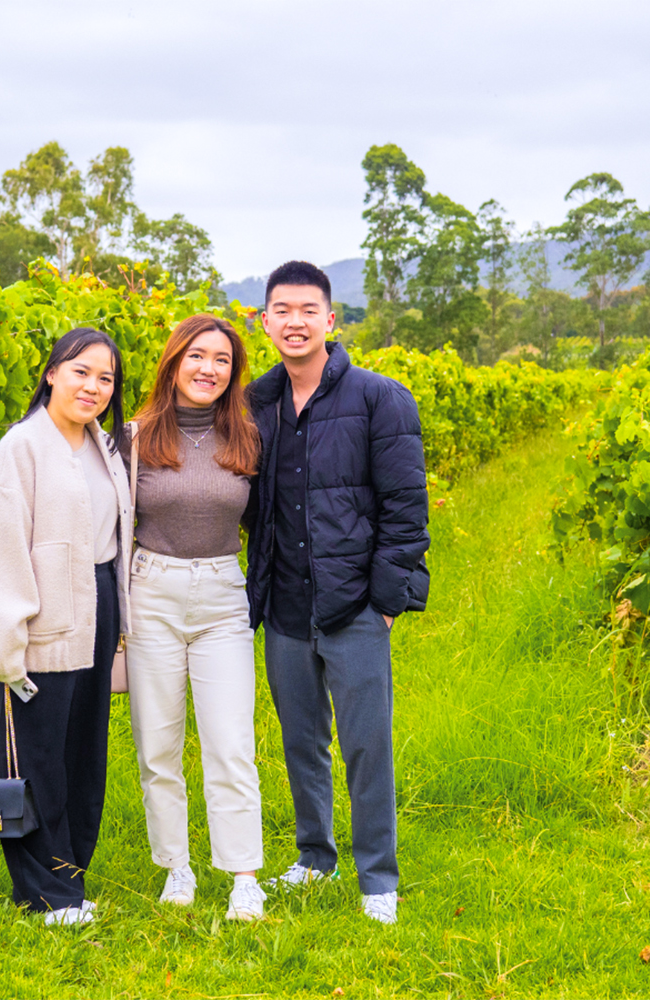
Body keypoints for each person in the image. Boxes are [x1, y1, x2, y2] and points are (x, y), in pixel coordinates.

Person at [244, 261, 430, 925]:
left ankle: (378, 876)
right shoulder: (255, 406)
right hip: (286, 610)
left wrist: (384, 602)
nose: (294, 322)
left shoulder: (381, 399)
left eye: (307, 310)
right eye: (280, 310)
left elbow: (406, 510)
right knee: (301, 741)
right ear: (264, 321)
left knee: (365, 745)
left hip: (354, 609)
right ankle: (314, 855)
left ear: (330, 320)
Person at [0, 327, 133, 927]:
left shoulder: (104, 447)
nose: (93, 386)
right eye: (80, 371)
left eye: (105, 378)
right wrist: (7, 648)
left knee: (84, 754)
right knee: (39, 759)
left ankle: (71, 880)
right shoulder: (22, 448)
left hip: (96, 607)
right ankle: (44, 894)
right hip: (42, 618)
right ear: (52, 373)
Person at [121, 315, 265, 921]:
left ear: (233, 372)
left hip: (222, 598)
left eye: (222, 360)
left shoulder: (249, 437)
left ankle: (243, 877)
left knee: (230, 742)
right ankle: (176, 868)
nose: (209, 369)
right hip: (152, 592)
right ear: (174, 362)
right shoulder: (132, 437)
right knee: (158, 744)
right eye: (197, 356)